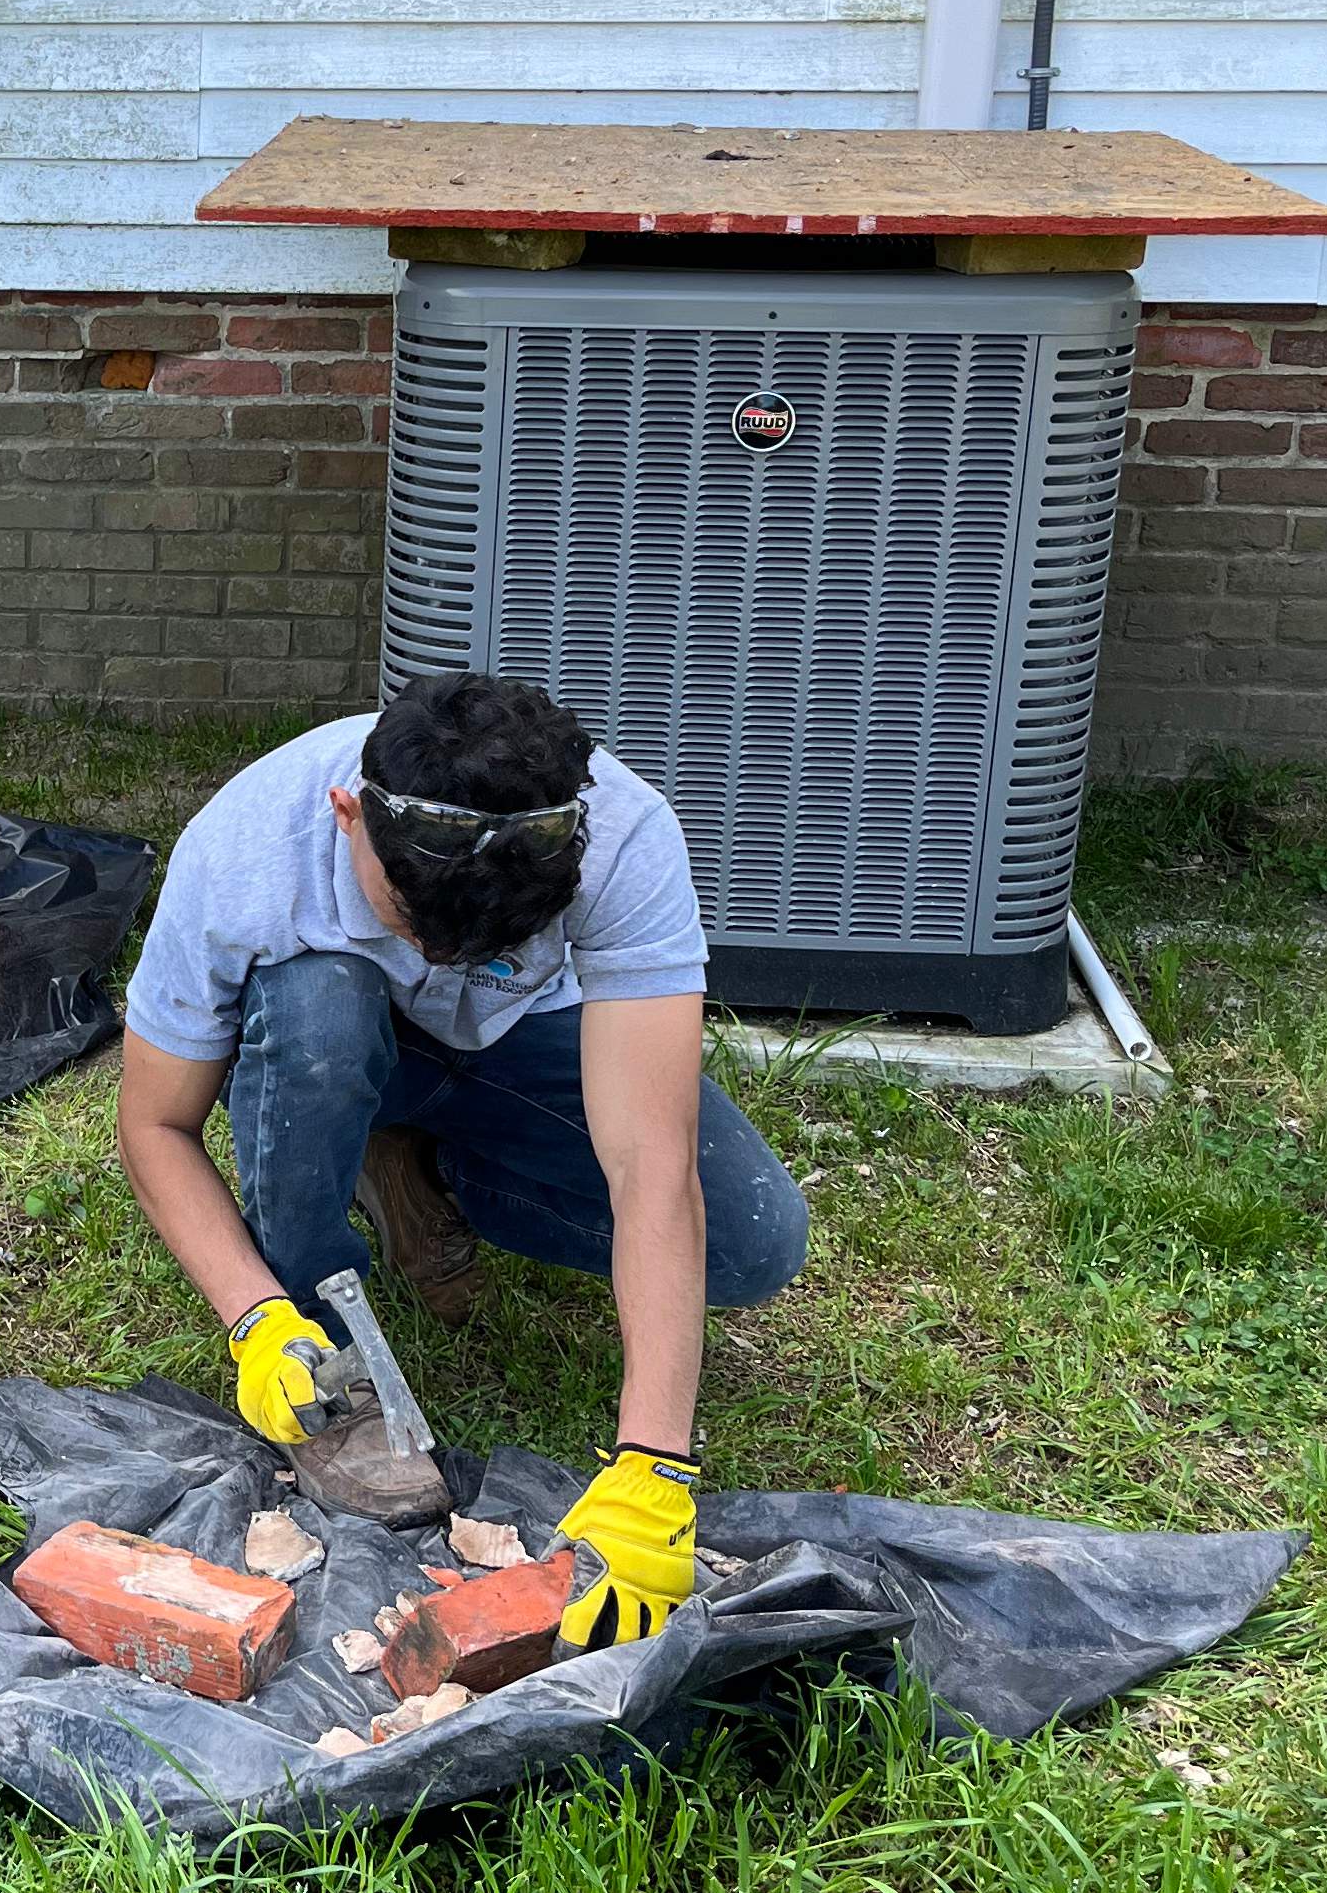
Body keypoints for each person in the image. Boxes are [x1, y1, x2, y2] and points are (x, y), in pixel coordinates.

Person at [114, 671, 808, 1654]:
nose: (435, 959)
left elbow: (651, 1165)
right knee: (319, 1009)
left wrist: (657, 1462)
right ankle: (322, 1358)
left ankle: (420, 1170)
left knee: (752, 1242)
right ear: (346, 816)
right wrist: (253, 1317)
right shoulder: (244, 854)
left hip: (516, 1041)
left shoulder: (623, 837)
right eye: (411, 925)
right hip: (324, 1044)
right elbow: (154, 1127)